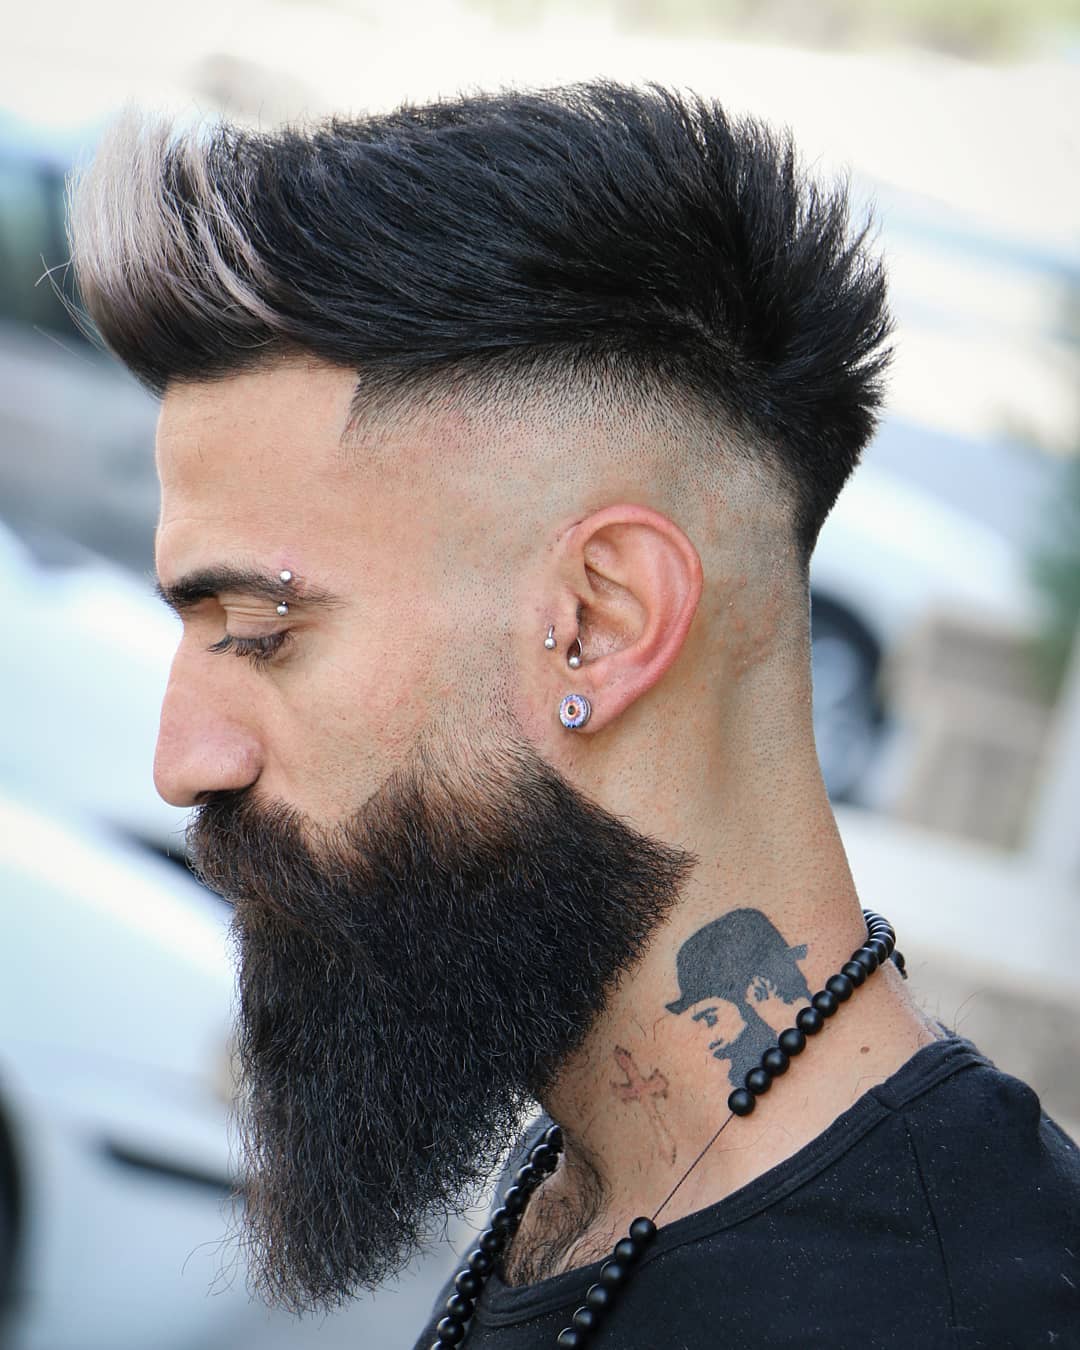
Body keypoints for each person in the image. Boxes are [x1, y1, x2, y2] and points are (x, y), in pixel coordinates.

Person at [67, 82, 1079, 1349]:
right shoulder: (587, 1172)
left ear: (599, 623)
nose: (180, 762)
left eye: (265, 632)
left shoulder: (963, 1312)